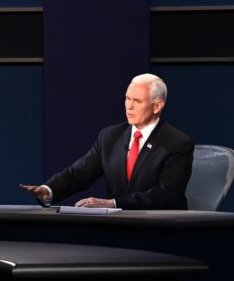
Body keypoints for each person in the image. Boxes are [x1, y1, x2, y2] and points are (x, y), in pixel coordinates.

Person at [20, 73, 193, 210]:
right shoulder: (110, 136)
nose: (129, 106)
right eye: (127, 98)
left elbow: (166, 195)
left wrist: (113, 204)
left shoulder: (177, 143)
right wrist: (48, 190)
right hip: (119, 226)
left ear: (157, 106)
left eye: (137, 101)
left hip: (160, 229)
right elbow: (79, 173)